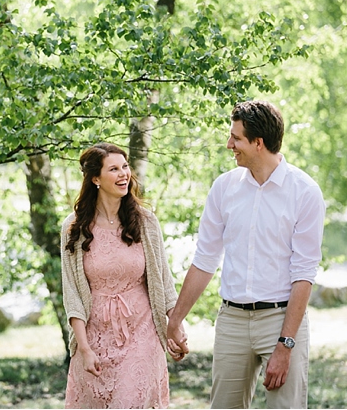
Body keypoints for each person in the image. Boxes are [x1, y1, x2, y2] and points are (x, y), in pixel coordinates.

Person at [166, 101, 325, 409]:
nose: (229, 145)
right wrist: (176, 318)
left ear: (258, 143)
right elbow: (204, 260)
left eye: (236, 138)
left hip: (281, 320)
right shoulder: (224, 188)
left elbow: (304, 273)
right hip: (232, 322)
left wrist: (285, 345)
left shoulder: (304, 191)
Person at [61, 142, 184, 409]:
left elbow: (164, 280)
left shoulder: (145, 221)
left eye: (125, 167)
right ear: (95, 178)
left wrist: (176, 326)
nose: (123, 174)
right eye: (114, 169)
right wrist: (83, 348)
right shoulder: (73, 227)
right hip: (94, 337)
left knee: (131, 401)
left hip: (141, 332)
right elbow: (72, 294)